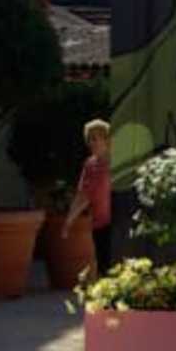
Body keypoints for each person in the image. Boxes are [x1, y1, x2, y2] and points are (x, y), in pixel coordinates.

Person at [63, 118, 115, 275]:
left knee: (116, 268)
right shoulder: (89, 165)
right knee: (103, 268)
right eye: (89, 139)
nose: (91, 143)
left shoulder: (116, 163)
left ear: (106, 140)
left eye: (95, 138)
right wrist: (69, 220)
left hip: (117, 224)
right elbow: (83, 196)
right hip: (98, 224)